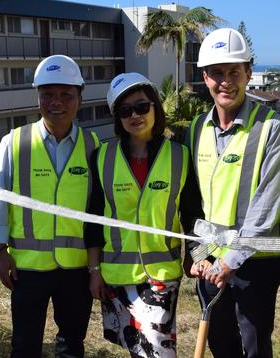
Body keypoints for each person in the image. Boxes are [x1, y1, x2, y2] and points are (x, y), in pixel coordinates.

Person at [185, 28, 280, 358]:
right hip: (211, 262)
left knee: (255, 346)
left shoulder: (271, 127)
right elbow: (193, 201)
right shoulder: (196, 128)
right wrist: (198, 256)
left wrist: (230, 260)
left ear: (248, 72)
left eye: (234, 72)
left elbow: (269, 204)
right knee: (221, 345)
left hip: (255, 264)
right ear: (205, 77)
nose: (226, 82)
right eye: (217, 73)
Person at [0, 54, 99, 358]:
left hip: (76, 268)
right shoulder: (14, 142)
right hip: (27, 268)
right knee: (24, 345)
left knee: (72, 344)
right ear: (38, 97)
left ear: (79, 98)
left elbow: (99, 211)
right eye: (47, 94)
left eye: (65, 95)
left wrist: (96, 264)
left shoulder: (93, 146)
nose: (56, 102)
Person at [85, 72, 204, 358]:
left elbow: (191, 214)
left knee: (158, 351)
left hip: (160, 275)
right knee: (135, 347)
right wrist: (94, 271)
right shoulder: (102, 156)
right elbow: (93, 220)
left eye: (141, 106)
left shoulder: (180, 155)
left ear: (155, 107)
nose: (134, 115)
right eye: (125, 111)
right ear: (118, 117)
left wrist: (195, 255)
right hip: (116, 273)